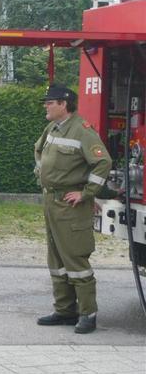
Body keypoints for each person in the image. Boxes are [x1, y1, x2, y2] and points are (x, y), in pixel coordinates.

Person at [34, 83, 111, 334]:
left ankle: (88, 313)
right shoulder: (52, 127)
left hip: (70, 206)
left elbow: (103, 162)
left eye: (50, 102)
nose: (46, 105)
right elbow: (39, 149)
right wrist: (41, 171)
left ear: (63, 104)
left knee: (76, 258)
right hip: (51, 202)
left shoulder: (82, 131)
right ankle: (65, 310)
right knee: (56, 258)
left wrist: (86, 193)